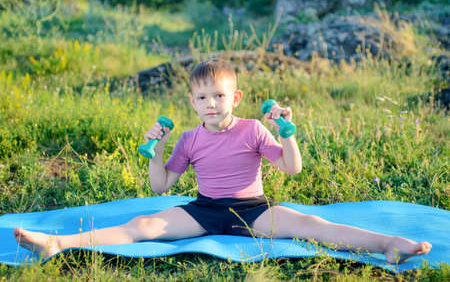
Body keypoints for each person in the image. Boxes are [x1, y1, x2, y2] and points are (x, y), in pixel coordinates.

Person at [15, 59, 431, 264]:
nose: (210, 104)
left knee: (313, 227)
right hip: (205, 211)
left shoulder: (253, 128)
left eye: (218, 96)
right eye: (201, 97)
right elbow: (161, 187)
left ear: (234, 98)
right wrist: (155, 151)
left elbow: (292, 169)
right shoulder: (189, 138)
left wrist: (290, 136)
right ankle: (57, 244)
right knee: (140, 227)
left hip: (253, 210)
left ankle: (389, 245)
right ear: (192, 102)